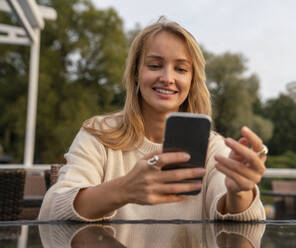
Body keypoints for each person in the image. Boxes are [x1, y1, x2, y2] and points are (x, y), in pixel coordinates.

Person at [38, 17, 267, 222]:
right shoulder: (98, 134)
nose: (167, 78)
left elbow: (240, 224)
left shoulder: (212, 147)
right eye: (155, 65)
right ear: (136, 72)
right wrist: (124, 189)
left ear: (192, 80)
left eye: (181, 69)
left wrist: (239, 192)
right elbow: (51, 211)